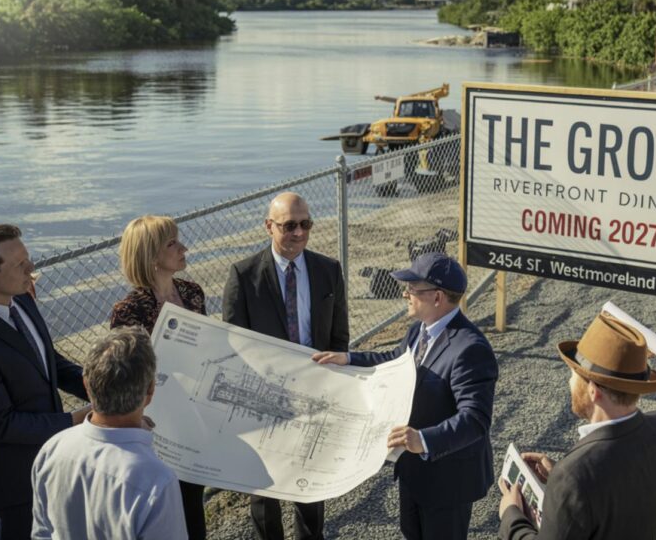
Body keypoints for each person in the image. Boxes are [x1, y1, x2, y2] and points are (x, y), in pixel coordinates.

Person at [313, 252, 498, 540]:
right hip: (413, 471)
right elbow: (393, 359)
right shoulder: (417, 331)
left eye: (412, 289)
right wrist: (348, 359)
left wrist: (422, 440)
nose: (405, 293)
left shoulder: (470, 349)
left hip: (448, 481)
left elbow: (475, 419)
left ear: (437, 297)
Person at [0, 224, 90, 540]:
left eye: (28, 258)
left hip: (53, 456)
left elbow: (49, 361)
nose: (32, 268)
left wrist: (93, 384)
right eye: (20, 264)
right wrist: (76, 420)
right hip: (14, 477)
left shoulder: (21, 299)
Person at [222, 191, 349, 540]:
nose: (299, 233)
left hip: (314, 391)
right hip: (263, 397)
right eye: (289, 225)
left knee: (310, 485)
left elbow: (339, 336)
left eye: (305, 224)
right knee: (264, 490)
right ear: (269, 226)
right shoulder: (243, 276)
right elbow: (233, 346)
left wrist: (331, 382)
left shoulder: (328, 271)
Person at [496, 313, 656, 540]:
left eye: (574, 374)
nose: (569, 382)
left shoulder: (573, 475)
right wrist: (563, 483)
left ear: (594, 391)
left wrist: (511, 516)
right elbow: (641, 494)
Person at [31, 327, 188, 540]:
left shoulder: (53, 448)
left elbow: (41, 533)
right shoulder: (157, 480)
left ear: (87, 385)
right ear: (150, 391)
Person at [109, 215, 207, 538]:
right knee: (165, 508)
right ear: (151, 255)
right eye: (172, 243)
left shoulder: (193, 294)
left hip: (194, 417)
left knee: (194, 504)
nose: (184, 248)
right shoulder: (129, 311)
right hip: (157, 426)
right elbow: (127, 377)